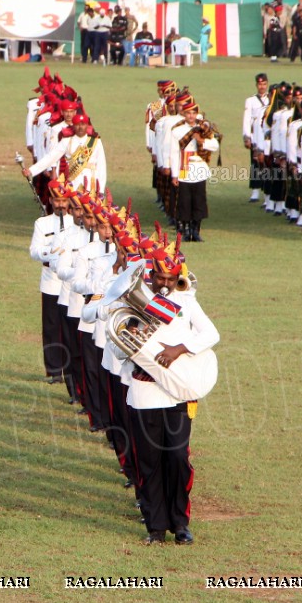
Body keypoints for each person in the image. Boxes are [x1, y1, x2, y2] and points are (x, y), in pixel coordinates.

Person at [124, 239, 219, 545]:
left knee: (177, 457)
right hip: (145, 391)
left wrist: (180, 348)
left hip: (177, 391)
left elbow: (211, 333)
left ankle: (180, 523)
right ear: (150, 275)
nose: (164, 284)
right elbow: (118, 344)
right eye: (159, 278)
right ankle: (155, 526)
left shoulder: (186, 302)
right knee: (149, 461)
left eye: (169, 278)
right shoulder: (134, 302)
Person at [29, 185, 72, 384]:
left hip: (71, 283)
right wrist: (51, 252)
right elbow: (34, 251)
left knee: (69, 326)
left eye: (64, 201)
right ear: (51, 201)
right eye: (57, 201)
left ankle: (71, 369)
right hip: (50, 281)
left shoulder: (75, 223)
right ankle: (54, 370)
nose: (61, 205)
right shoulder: (42, 223)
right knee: (51, 326)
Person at [169, 94, 219, 242]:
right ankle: (185, 231)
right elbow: (174, 153)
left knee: (199, 201)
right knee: (184, 202)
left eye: (193, 113)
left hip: (199, 168)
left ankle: (196, 230)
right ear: (184, 114)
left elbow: (215, 145)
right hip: (184, 168)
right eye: (188, 113)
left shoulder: (203, 129)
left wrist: (202, 141)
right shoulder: (177, 131)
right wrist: (174, 174)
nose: (191, 116)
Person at [243, 73, 269, 203]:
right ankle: (255, 191)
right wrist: (246, 136)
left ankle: (267, 192)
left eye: (264, 84)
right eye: (260, 84)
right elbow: (247, 119)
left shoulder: (271, 99)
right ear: (256, 85)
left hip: (267, 137)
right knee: (255, 164)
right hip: (254, 135)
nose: (262, 87)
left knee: (267, 164)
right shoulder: (251, 100)